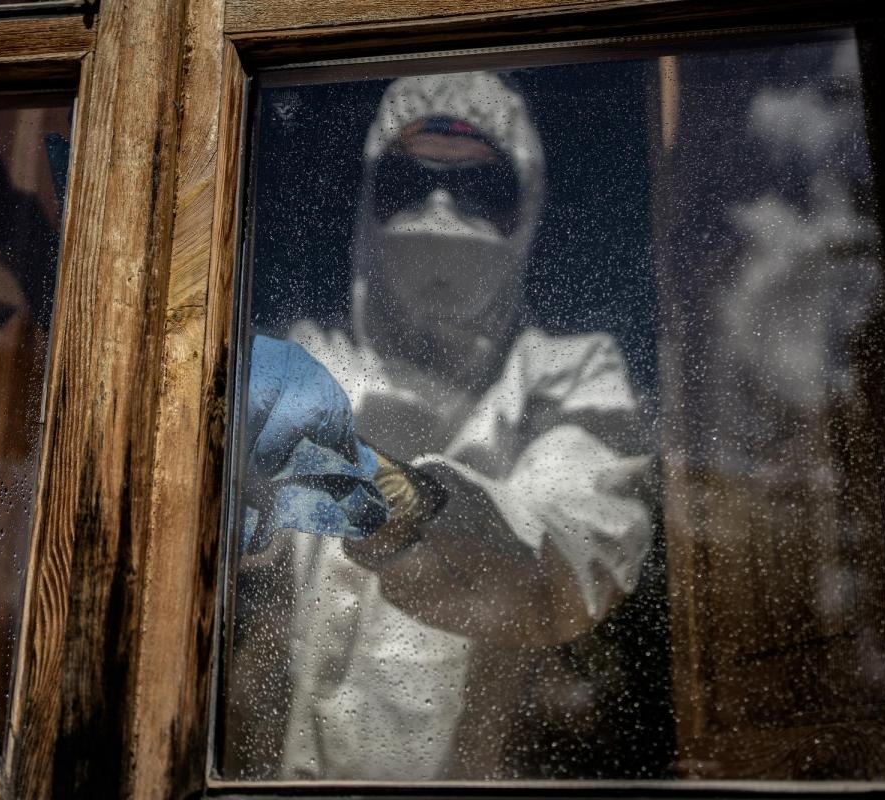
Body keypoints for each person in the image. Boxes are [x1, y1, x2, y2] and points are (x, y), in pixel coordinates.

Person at [229, 71, 654, 780]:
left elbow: (581, 553)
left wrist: (419, 510)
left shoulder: (566, 379)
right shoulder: (302, 366)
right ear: (368, 197)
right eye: (408, 182)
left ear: (527, 206)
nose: (439, 210)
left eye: (479, 190)